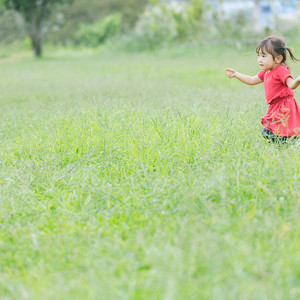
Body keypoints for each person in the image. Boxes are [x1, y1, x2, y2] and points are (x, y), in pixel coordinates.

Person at [226, 36, 300, 144]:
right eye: (258, 56)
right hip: (274, 106)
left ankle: (291, 144)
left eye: (264, 56)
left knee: (272, 132)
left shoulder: (281, 70)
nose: (260, 60)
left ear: (278, 58)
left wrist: (297, 81)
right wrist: (236, 74)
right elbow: (251, 80)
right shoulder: (266, 72)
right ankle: (288, 144)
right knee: (271, 132)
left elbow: (291, 84)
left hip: (284, 106)